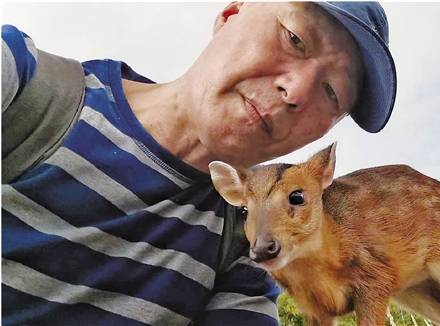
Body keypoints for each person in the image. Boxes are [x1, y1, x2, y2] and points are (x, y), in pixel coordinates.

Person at [2, 2, 396, 325]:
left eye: (331, 92)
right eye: (294, 38)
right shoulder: (25, 82)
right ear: (230, 15)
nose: (295, 90)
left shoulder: (245, 254)